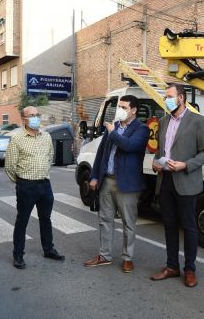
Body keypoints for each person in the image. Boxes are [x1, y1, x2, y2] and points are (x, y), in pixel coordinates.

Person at [150, 84, 204, 288]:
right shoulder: (163, 121)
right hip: (165, 181)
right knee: (169, 227)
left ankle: (190, 269)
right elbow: (161, 151)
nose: (166, 99)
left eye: (169, 96)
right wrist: (156, 163)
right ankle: (172, 266)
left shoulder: (198, 121)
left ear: (181, 98)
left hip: (186, 181)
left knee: (190, 228)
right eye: (165, 96)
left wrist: (186, 165)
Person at [84, 95, 149, 273]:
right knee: (105, 220)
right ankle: (104, 255)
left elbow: (130, 146)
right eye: (119, 106)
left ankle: (128, 258)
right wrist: (95, 176)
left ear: (133, 110)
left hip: (127, 183)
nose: (119, 110)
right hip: (107, 180)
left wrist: (113, 133)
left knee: (128, 222)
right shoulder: (114, 126)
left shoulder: (141, 129)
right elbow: (102, 153)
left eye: (124, 107)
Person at [5, 106, 65, 269]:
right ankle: (18, 255)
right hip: (26, 185)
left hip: (45, 184)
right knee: (22, 221)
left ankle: (49, 249)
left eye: (37, 115)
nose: (35, 118)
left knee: (46, 219)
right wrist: (21, 182)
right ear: (24, 119)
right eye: (31, 115)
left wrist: (42, 172)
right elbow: (10, 165)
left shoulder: (46, 136)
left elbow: (49, 157)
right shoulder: (17, 138)